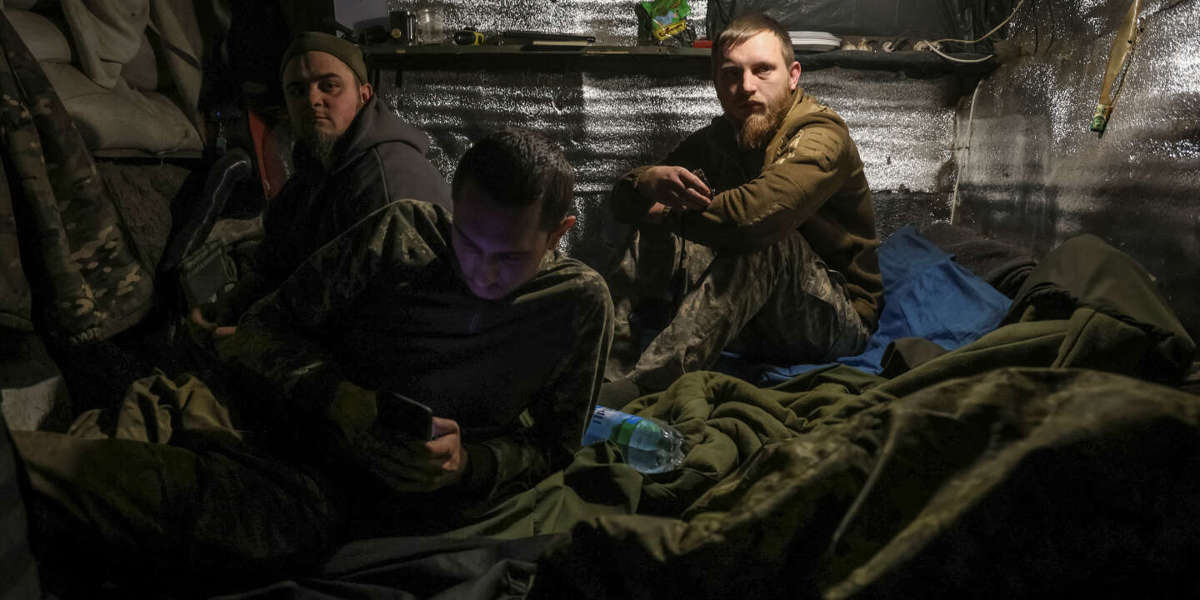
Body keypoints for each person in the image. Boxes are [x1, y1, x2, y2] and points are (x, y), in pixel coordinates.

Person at [13, 129, 613, 589]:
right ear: (455, 203)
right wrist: (337, 397)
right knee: (88, 480)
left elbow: (556, 444)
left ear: (559, 233)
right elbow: (262, 329)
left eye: (509, 257)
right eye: (468, 241)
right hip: (281, 433)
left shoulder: (577, 304)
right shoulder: (402, 233)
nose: (481, 272)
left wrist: (469, 465)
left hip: (348, 499)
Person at [604, 13, 883, 396]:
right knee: (649, 223)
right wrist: (645, 180)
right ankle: (606, 376)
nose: (746, 86)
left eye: (763, 70)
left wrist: (665, 213)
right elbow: (622, 205)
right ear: (716, 83)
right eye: (731, 74)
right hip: (757, 315)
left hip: (833, 320)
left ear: (793, 76)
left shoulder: (821, 135)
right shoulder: (724, 135)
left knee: (766, 240)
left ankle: (644, 388)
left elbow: (753, 219)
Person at [191, 31, 450, 336]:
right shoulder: (316, 166)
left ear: (364, 95)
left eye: (329, 86)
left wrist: (253, 334)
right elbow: (278, 257)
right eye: (297, 91)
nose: (313, 100)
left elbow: (387, 317)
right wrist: (232, 306)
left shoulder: (387, 182)